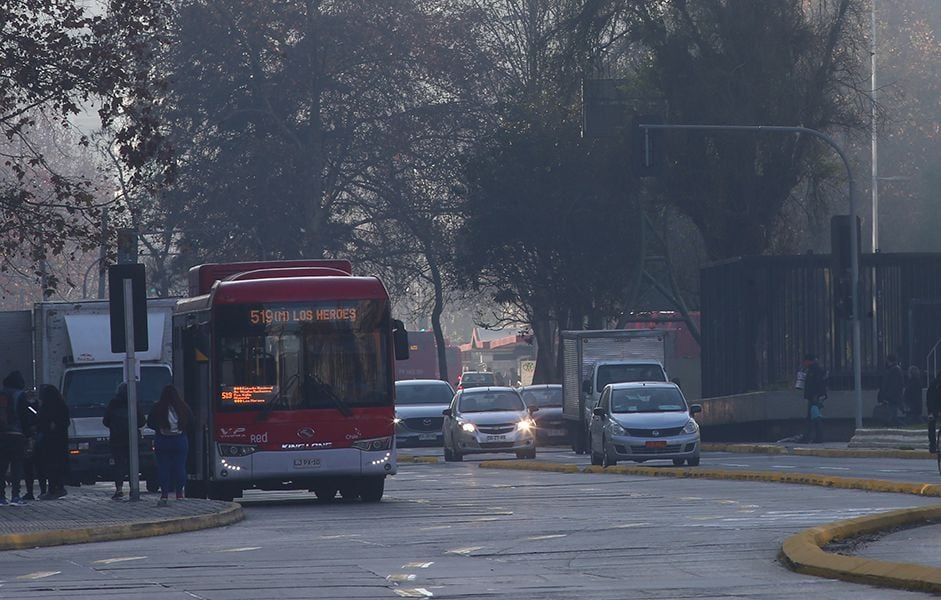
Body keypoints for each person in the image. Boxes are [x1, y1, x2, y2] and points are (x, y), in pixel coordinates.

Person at [148, 385, 193, 506]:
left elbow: (150, 423)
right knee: (180, 466)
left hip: (162, 440)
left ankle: (164, 494)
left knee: (163, 467)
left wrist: (159, 428)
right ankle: (179, 493)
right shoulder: (183, 407)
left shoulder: (158, 407)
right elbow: (191, 422)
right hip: (179, 440)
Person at [103, 383, 145, 500]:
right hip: (131, 438)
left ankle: (119, 489)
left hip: (116, 439)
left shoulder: (113, 404)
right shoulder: (133, 403)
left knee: (119, 464)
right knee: (133, 464)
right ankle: (134, 488)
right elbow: (141, 421)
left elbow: (105, 421)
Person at [36, 384, 70, 499]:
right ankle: (57, 487)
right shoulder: (62, 406)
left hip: (49, 441)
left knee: (50, 465)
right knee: (57, 465)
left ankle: (52, 489)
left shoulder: (47, 408)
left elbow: (42, 423)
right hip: (60, 440)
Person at [0, 371, 29, 505]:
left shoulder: (2, 394)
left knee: (2, 466)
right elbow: (24, 416)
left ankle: (1, 496)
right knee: (17, 466)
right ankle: (15, 496)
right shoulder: (20, 395)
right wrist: (28, 433)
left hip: (2, 435)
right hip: (17, 435)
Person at [16, 387, 45, 500]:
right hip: (31, 437)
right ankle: (36, 491)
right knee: (32, 466)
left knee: (33, 466)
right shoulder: (35, 406)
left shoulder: (24, 405)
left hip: (31, 437)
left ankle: (36, 491)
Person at [800, 353, 827, 442]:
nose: (804, 364)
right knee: (814, 417)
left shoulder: (815, 370)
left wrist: (816, 396)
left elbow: (817, 383)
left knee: (814, 418)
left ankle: (809, 438)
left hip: (814, 397)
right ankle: (817, 437)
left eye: (804, 362)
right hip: (813, 397)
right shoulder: (812, 369)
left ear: (808, 361)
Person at [877, 354, 905, 424]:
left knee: (892, 417)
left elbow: (893, 386)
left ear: (888, 360)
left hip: (892, 398)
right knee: (891, 416)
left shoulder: (894, 370)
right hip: (892, 397)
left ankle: (903, 426)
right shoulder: (893, 369)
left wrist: (887, 397)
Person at [927, 374, 941, 454]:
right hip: (934, 407)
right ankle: (932, 445)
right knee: (931, 423)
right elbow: (930, 400)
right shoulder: (933, 386)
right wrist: (931, 413)